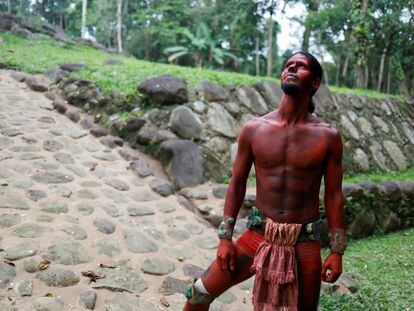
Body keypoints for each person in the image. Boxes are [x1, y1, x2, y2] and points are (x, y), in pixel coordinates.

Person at [183, 52, 346, 311]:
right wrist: (225, 238)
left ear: (314, 83)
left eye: (300, 66)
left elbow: (334, 195)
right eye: (288, 65)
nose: (292, 68)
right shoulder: (255, 129)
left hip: (304, 242)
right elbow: (237, 183)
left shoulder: (327, 137)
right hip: (257, 236)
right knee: (198, 293)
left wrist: (337, 251)